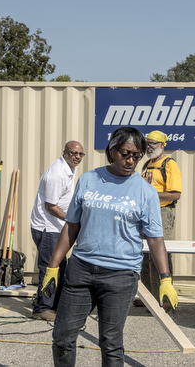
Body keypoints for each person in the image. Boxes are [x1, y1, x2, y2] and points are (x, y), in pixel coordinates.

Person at [45, 127, 178, 367]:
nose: (130, 161)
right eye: (125, 153)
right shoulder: (88, 179)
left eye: (136, 156)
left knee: (110, 343)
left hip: (121, 276)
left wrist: (165, 279)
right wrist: (53, 266)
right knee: (62, 337)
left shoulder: (145, 192)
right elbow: (71, 226)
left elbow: (155, 238)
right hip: (81, 270)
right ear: (112, 150)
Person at [30, 141, 84, 321]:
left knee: (61, 267)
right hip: (47, 227)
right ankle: (42, 308)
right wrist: (72, 220)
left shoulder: (69, 169)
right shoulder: (57, 174)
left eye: (80, 154)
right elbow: (50, 206)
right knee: (50, 267)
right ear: (65, 153)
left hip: (57, 227)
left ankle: (55, 305)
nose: (77, 157)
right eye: (73, 153)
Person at [139, 130, 182, 304]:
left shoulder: (169, 164)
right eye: (147, 143)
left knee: (160, 253)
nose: (149, 147)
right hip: (144, 213)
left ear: (162, 145)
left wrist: (151, 196)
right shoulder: (146, 164)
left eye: (153, 144)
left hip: (162, 213)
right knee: (145, 253)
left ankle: (164, 297)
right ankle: (148, 297)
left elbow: (175, 194)